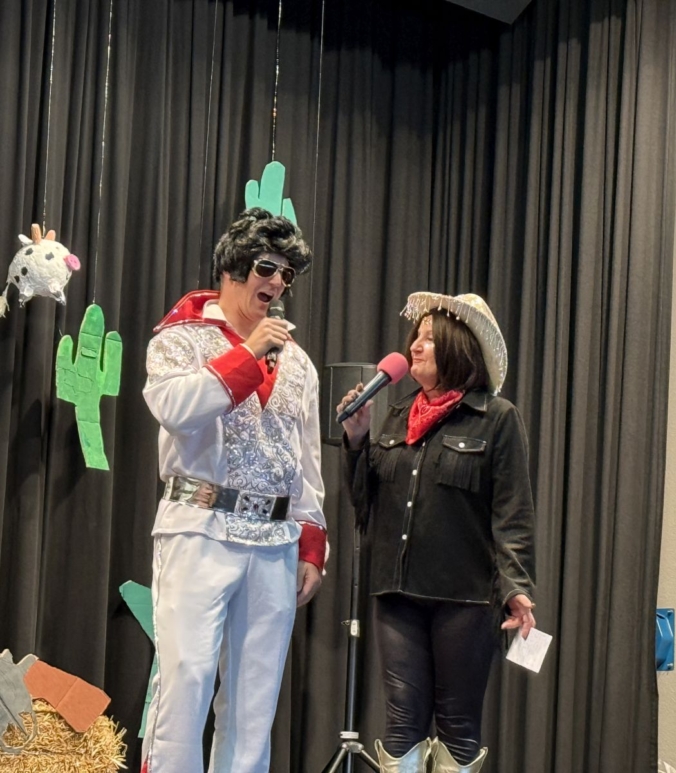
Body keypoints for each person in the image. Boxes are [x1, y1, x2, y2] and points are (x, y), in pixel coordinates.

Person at [140, 208, 328, 773]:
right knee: (188, 677)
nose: (277, 283)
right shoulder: (180, 339)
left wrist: (311, 541)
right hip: (199, 528)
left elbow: (307, 458)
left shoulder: (299, 362)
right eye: (267, 267)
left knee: (255, 700)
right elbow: (174, 410)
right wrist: (246, 356)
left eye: (287, 274)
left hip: (274, 542)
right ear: (233, 267)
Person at [338, 292, 536, 773]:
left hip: (465, 598)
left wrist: (516, 586)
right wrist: (357, 440)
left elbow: (512, 513)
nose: (415, 346)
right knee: (401, 723)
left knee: (457, 725)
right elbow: (365, 504)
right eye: (417, 336)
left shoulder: (497, 418)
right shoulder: (397, 414)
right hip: (397, 593)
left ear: (458, 348)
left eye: (429, 338)